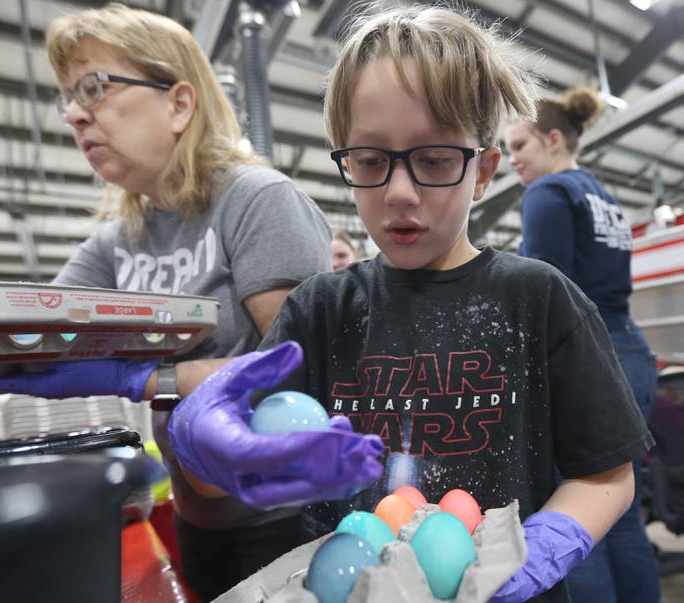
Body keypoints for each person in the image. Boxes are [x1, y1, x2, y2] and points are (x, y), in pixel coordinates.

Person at [163, 6, 654, 602]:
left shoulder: (539, 298)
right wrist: (201, 446)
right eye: (370, 161)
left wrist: (552, 540)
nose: (399, 192)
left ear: (483, 171)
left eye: (435, 160)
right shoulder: (320, 311)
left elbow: (607, 472)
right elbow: (225, 479)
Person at [0, 4, 381, 600]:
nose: (74, 114)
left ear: (179, 103)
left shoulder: (255, 201)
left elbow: (300, 370)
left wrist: (149, 379)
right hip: (199, 515)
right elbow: (23, 333)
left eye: (94, 87)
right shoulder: (117, 241)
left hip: (282, 519)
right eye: (67, 97)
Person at [505, 88, 661, 603]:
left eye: (519, 145)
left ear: (553, 139)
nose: (513, 159)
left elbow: (547, 294)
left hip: (588, 354)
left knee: (578, 514)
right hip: (630, 345)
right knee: (618, 506)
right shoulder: (602, 195)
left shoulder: (548, 194)